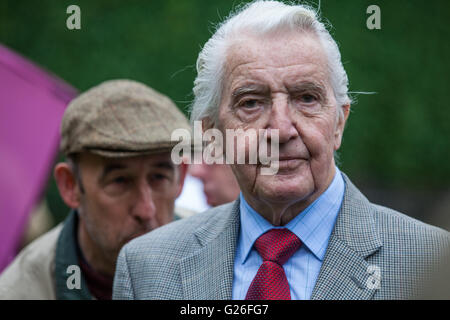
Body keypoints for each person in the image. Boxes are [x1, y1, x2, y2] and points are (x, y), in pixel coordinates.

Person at [113, 1, 450, 300]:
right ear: (213, 136)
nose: (280, 130)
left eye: (306, 98)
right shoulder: (147, 269)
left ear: (338, 124)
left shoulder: (431, 262)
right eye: (251, 103)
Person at [0, 79, 190, 299]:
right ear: (70, 186)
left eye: (159, 177)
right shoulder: (22, 291)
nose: (146, 210)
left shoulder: (224, 251)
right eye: (120, 181)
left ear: (181, 177)